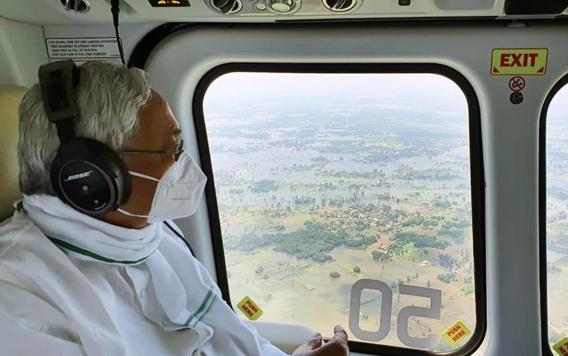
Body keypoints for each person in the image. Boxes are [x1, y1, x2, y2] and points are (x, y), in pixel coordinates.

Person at [0, 61, 350, 356]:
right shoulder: (16, 297)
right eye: (170, 150)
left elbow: (222, 336)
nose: (185, 164)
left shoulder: (154, 232)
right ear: (91, 178)